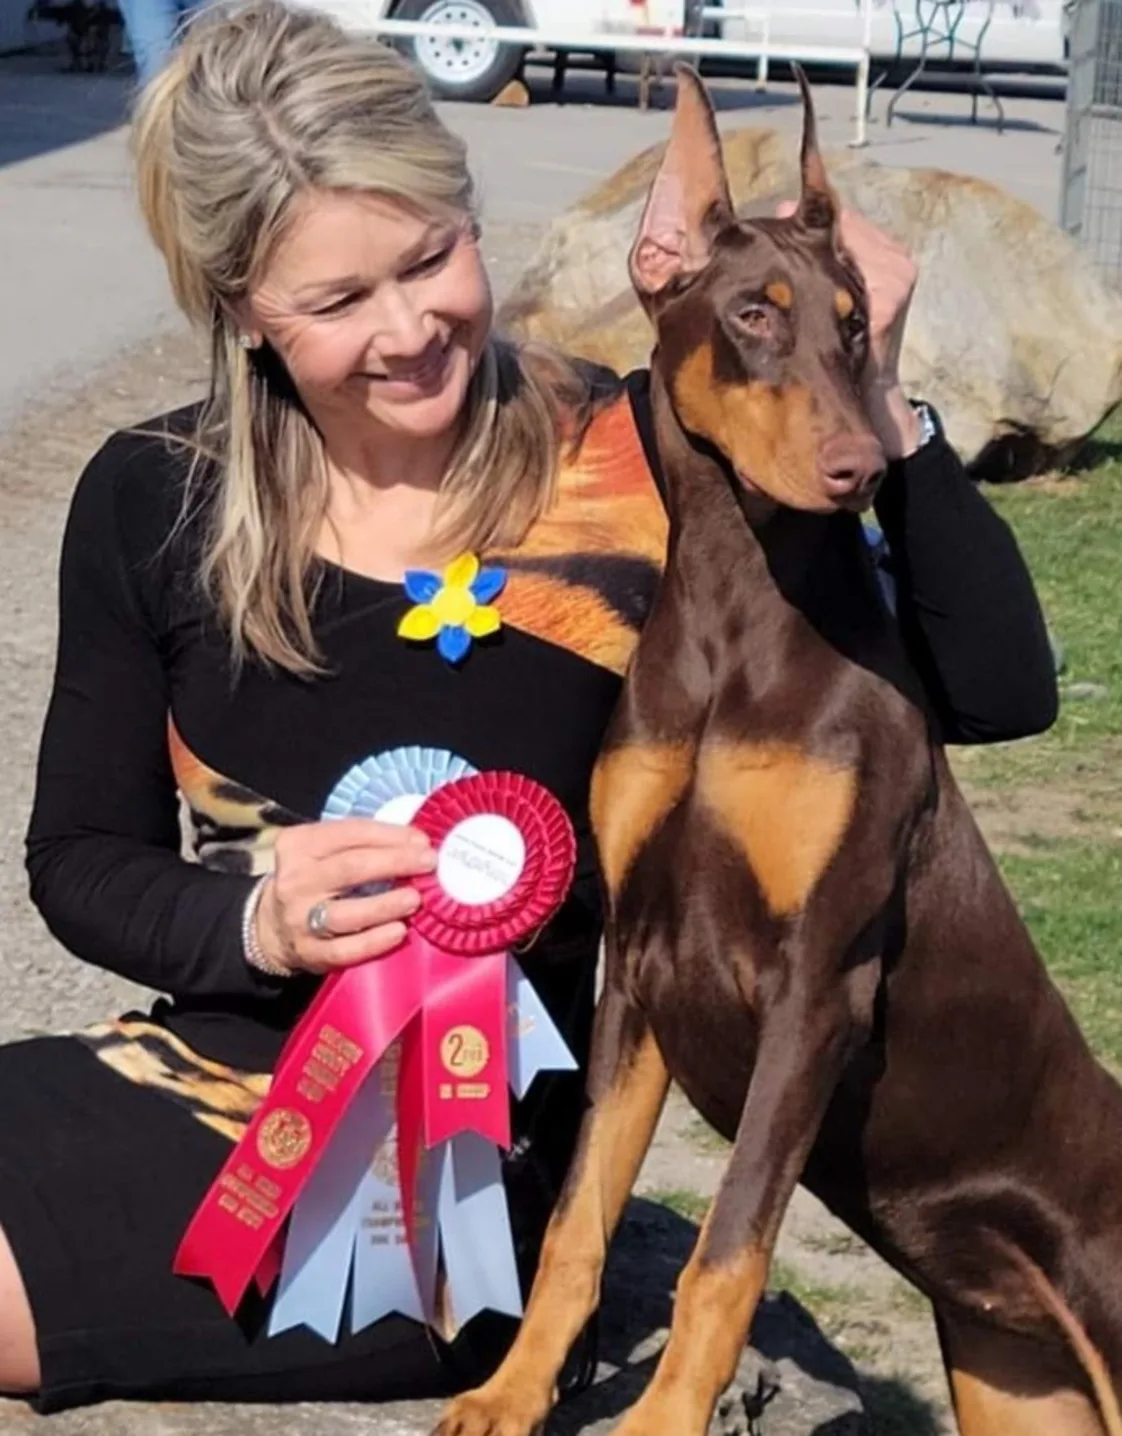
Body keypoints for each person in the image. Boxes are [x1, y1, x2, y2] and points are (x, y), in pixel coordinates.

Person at [1, 0, 1058, 1414]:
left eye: (431, 257)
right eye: (335, 303)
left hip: (435, 1180)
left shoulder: (644, 462)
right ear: (238, 310)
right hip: (187, 1077)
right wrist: (247, 920)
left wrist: (869, 374)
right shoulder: (152, 496)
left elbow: (993, 693)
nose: (409, 327)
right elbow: (77, 860)